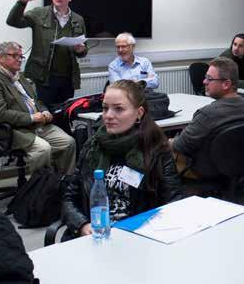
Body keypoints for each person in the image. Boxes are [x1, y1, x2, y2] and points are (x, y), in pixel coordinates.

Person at [62, 80, 182, 237]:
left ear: (139, 113)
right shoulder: (92, 146)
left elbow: (173, 201)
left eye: (118, 109)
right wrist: (82, 224)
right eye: (105, 108)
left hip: (137, 236)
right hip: (94, 235)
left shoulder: (155, 149)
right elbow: (69, 198)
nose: (108, 116)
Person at [0, 41, 76, 175]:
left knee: (68, 142)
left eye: (20, 56)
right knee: (43, 149)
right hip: (15, 130)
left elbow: (36, 100)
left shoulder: (19, 77)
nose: (19, 59)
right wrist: (31, 118)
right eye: (14, 56)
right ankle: (39, 188)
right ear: (1, 58)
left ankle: (64, 182)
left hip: (38, 124)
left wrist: (44, 111)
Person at [172, 57, 244, 178]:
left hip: (205, 171)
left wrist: (168, 141)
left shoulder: (207, 114)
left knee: (156, 151)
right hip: (238, 168)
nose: (204, 82)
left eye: (209, 78)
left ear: (226, 84)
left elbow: (180, 146)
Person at [6, 0, 88, 106]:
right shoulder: (39, 14)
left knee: (64, 115)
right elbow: (12, 21)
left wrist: (80, 50)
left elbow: (83, 51)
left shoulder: (78, 19)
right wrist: (22, 2)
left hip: (67, 79)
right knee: (46, 114)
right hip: (44, 78)